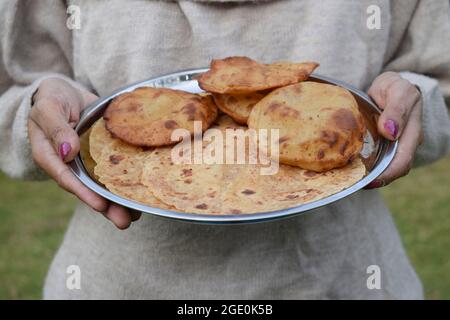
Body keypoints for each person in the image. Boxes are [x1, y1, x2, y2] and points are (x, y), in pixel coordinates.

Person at [1, 0, 449, 299]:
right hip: (116, 283)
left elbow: (437, 84)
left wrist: (412, 105)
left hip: (345, 280)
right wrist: (41, 106)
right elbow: (15, 87)